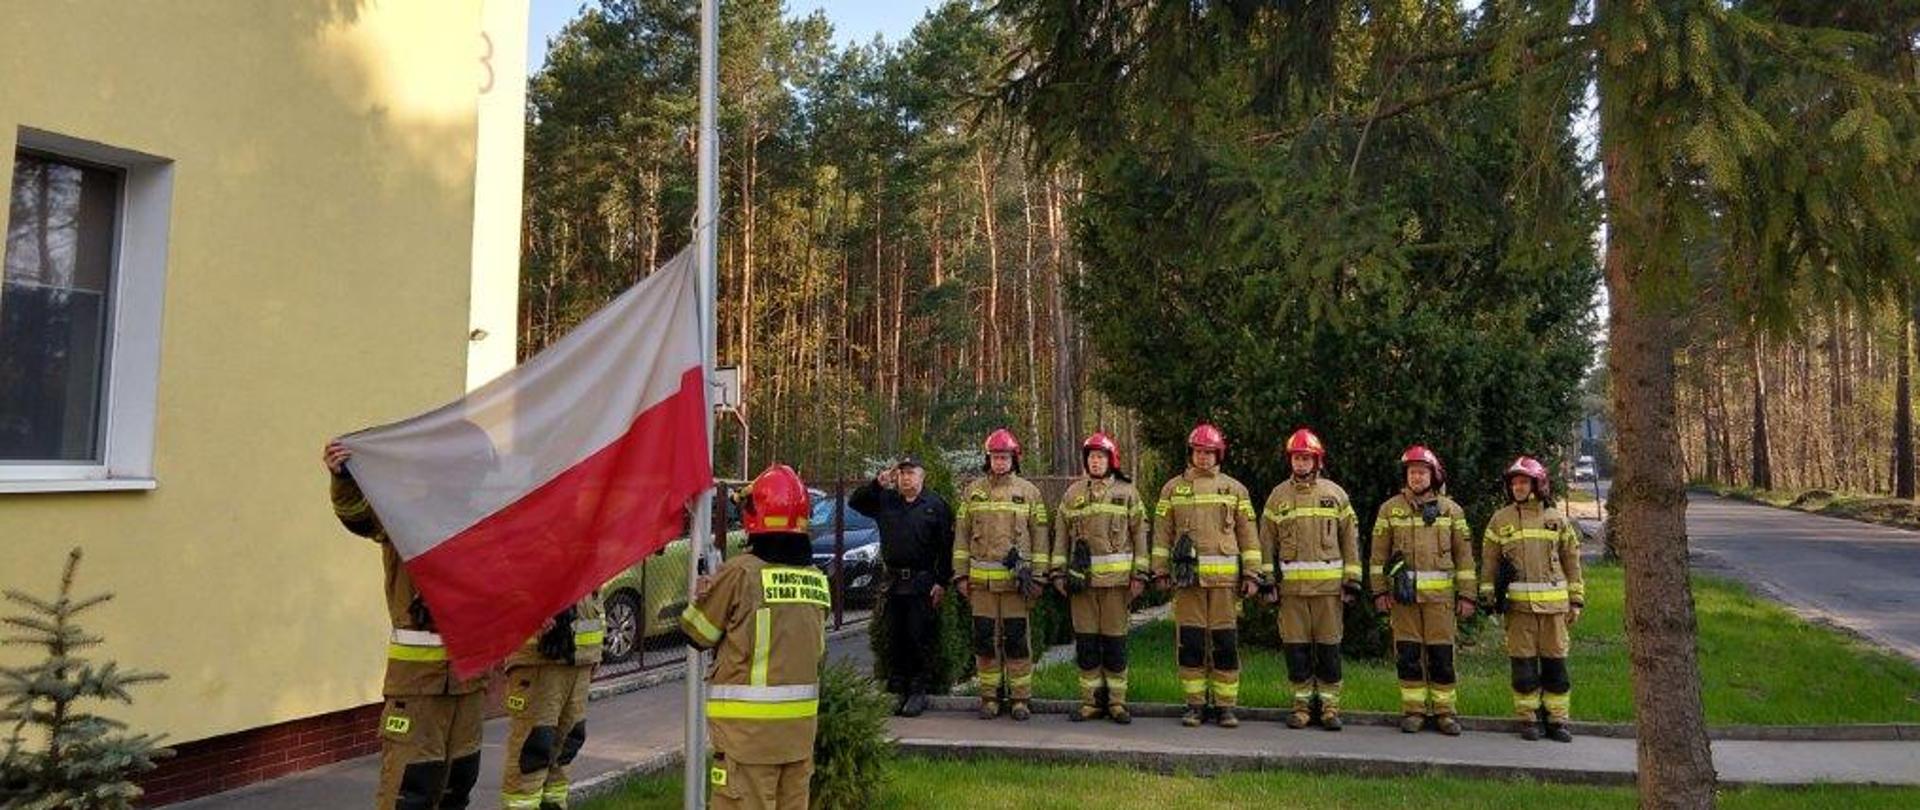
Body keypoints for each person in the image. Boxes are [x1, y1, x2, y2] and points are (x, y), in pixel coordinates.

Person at [324, 439, 484, 810]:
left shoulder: (478, 525)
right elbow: (357, 516)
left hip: (469, 683)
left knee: (457, 787)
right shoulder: (405, 516)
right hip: (418, 685)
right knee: (411, 792)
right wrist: (343, 478)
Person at [681, 464, 830, 810]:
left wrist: (704, 596)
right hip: (798, 738)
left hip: (747, 741)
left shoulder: (740, 573)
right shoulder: (814, 577)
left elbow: (696, 634)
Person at [1152, 423, 1261, 729]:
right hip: (1189, 583)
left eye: (1209, 453)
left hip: (1226, 585)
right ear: (1191, 454)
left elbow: (1248, 535)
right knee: (1191, 644)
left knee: (1225, 643)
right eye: (1198, 452)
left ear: (1218, 454)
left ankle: (1226, 707)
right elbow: (1162, 533)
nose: (1203, 458)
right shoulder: (1173, 489)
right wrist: (1160, 571)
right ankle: (1195, 705)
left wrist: (1252, 574)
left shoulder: (1235, 490)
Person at [1369, 445, 1477, 735]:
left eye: (1422, 472)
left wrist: (1467, 595)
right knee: (1408, 654)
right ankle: (1413, 711)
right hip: (1403, 600)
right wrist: (1379, 592)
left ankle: (1445, 712)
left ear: (1434, 474)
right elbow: (1378, 557)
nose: (1416, 477)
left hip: (1440, 601)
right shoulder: (1389, 510)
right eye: (1412, 472)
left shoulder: (1451, 511)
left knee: (1441, 655)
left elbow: (1465, 559)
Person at [1258, 428, 1361, 731]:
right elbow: (1266, 542)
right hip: (1291, 593)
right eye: (1296, 458)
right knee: (1296, 648)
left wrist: (1352, 580)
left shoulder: (1335, 494)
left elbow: (1350, 540)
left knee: (1329, 648)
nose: (1300, 464)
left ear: (1317, 461)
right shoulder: (1278, 497)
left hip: (1329, 593)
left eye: (1306, 458)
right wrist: (1267, 580)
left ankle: (1329, 707)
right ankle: (1301, 706)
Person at [1481, 456, 1585, 742]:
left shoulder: (1557, 520)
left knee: (1556, 666)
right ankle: (1528, 720)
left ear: (1538, 485)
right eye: (1514, 482)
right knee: (1523, 666)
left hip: (1554, 610)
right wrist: (1488, 597)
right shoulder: (1500, 520)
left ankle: (1558, 720)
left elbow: (1572, 562)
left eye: (1523, 482)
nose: (1517, 487)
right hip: (1518, 610)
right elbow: (1488, 563)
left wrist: (1576, 600)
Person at [951, 428, 1050, 721]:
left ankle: (1020, 699)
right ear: (988, 459)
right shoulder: (973, 492)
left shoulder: (1030, 493)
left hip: (1016, 585)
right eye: (995, 457)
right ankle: (990, 698)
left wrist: (1040, 577)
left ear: (1014, 459)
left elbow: (1040, 537)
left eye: (1005, 457)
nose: (1000, 462)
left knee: (1017, 641)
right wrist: (960, 576)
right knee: (985, 641)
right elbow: (961, 536)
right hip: (981, 585)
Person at [1051, 432, 1149, 724]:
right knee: (1087, 645)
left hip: (1117, 587)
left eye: (1100, 457)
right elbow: (1060, 538)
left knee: (1115, 643)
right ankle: (1091, 702)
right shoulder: (1072, 495)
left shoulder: (1128, 493)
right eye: (1091, 457)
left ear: (1111, 460)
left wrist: (1140, 575)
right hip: (1082, 586)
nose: (1095, 462)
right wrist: (1057, 573)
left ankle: (1117, 703)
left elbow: (1140, 536)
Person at [847, 456, 955, 718]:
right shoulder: (887, 500)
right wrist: (877, 483)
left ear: (922, 476)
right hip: (893, 582)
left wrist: (942, 582)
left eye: (911, 473)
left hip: (921, 581)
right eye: (902, 473)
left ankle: (917, 691)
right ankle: (898, 690)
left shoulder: (935, 505)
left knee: (918, 637)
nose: (906, 478)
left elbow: (947, 547)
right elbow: (855, 502)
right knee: (895, 638)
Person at [499, 593, 604, 810]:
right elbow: (509, 580)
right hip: (538, 658)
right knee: (534, 748)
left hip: (580, 659)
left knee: (566, 747)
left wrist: (595, 652)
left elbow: (594, 589)